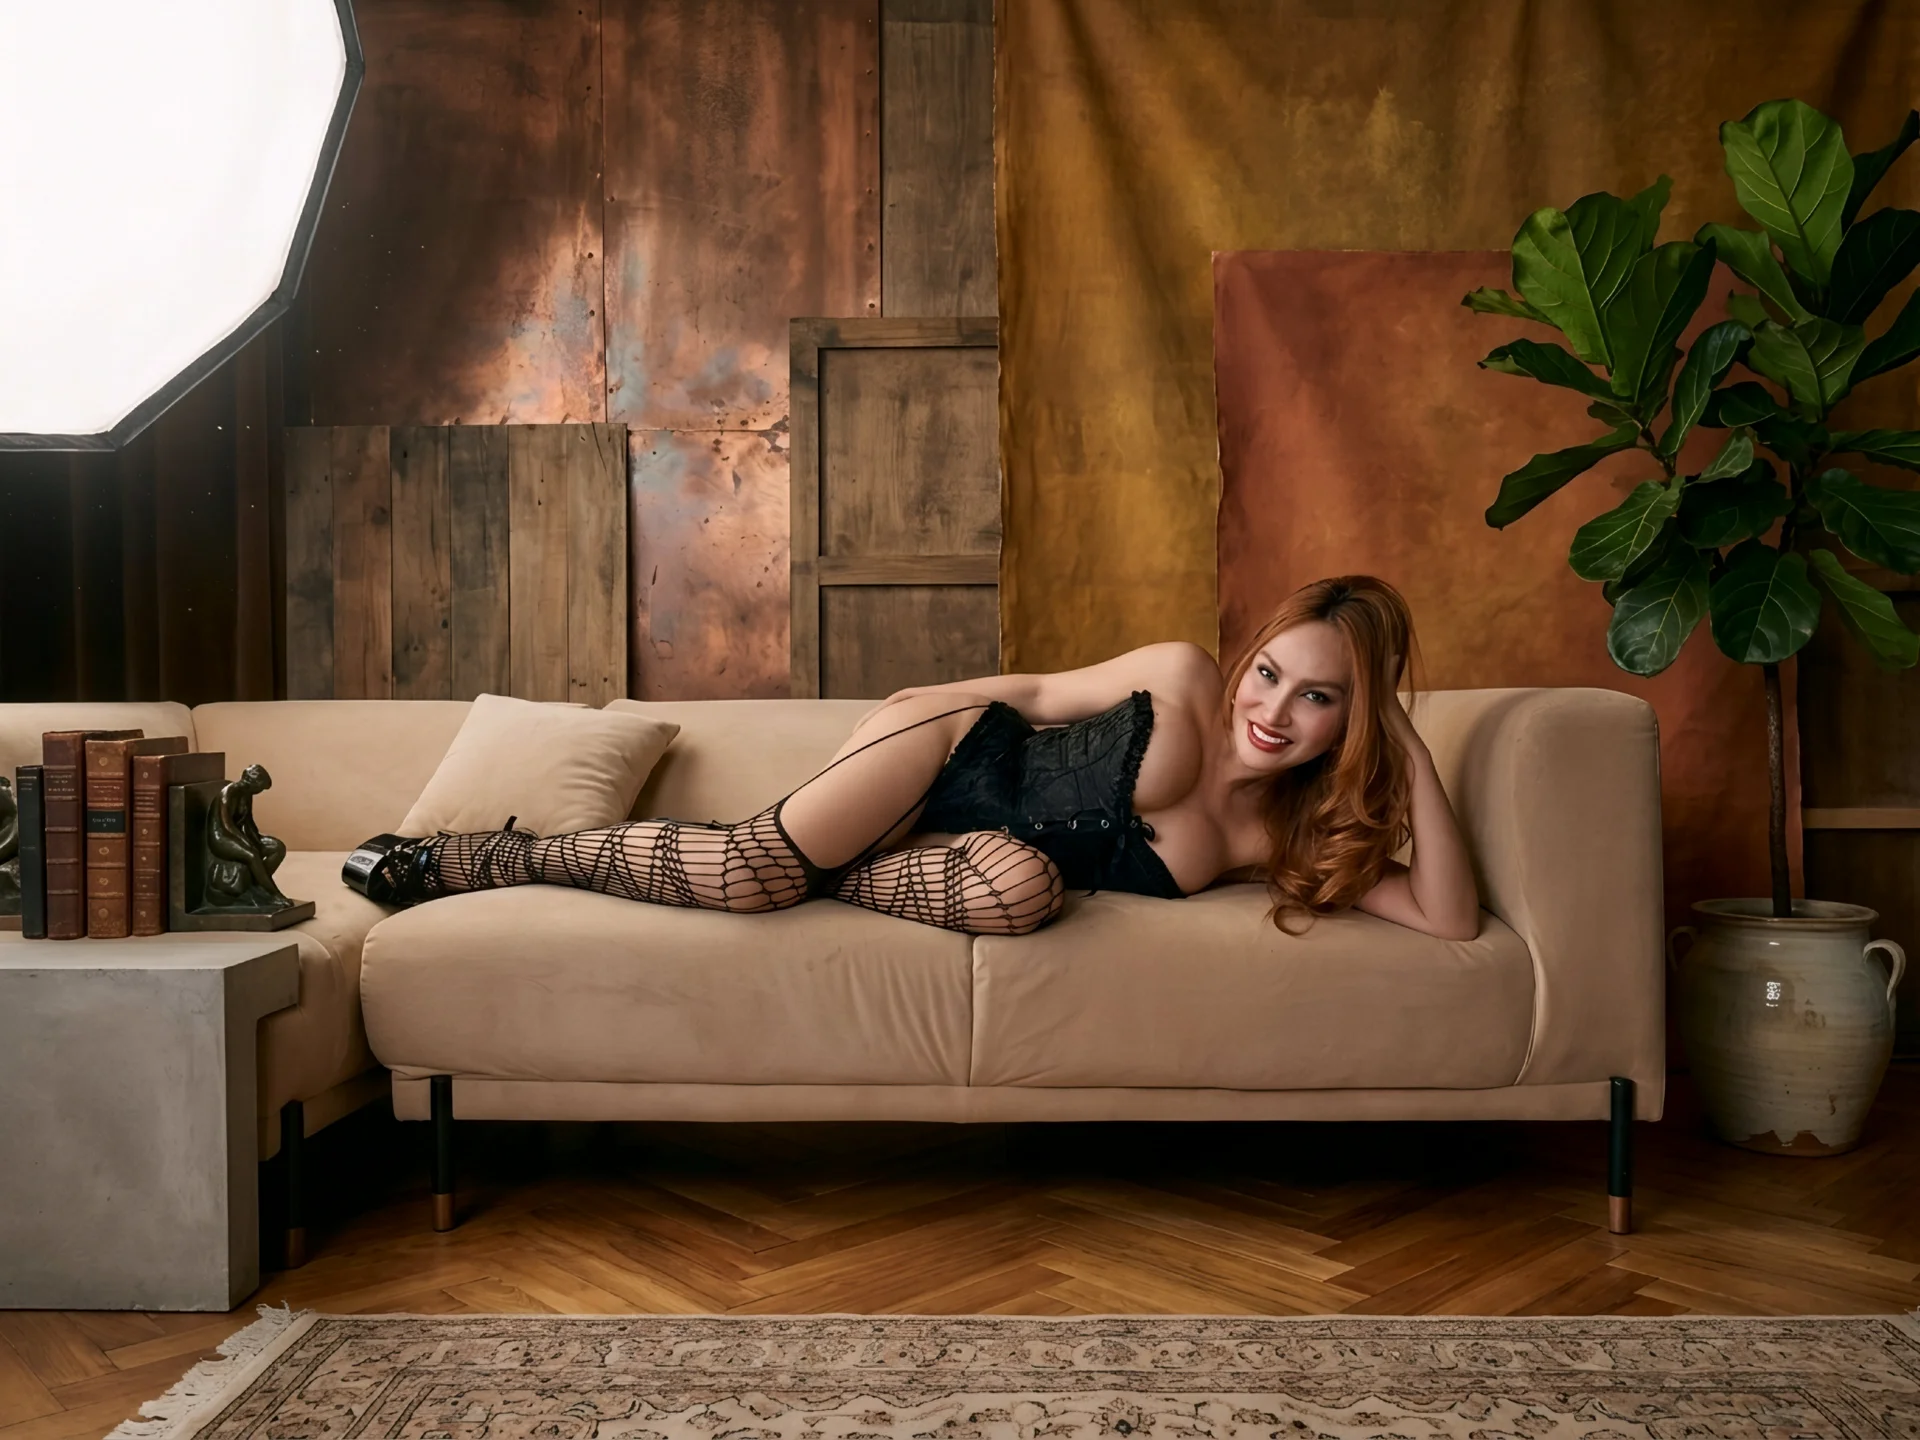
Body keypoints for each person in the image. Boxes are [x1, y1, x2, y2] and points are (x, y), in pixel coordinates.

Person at [343, 575, 1479, 941]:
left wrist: (1405, 733)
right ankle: (479, 859)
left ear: (1352, 719)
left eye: (1320, 697)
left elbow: (1448, 918)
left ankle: (810, 868)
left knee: (1025, 888)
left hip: (970, 865)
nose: (1272, 709)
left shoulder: (1275, 837)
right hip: (949, 757)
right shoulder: (1181, 676)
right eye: (1270, 671)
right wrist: (911, 714)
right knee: (745, 873)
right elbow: (1036, 696)